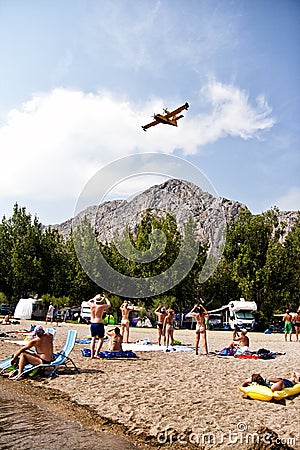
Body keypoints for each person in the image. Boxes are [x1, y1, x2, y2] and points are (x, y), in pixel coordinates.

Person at [88, 294, 111, 359]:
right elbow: (109, 304)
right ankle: (96, 353)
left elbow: (88, 301)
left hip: (92, 323)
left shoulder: (92, 305)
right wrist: (106, 298)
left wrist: (93, 298)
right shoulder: (101, 306)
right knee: (101, 339)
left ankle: (92, 354)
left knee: (93, 338)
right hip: (98, 323)